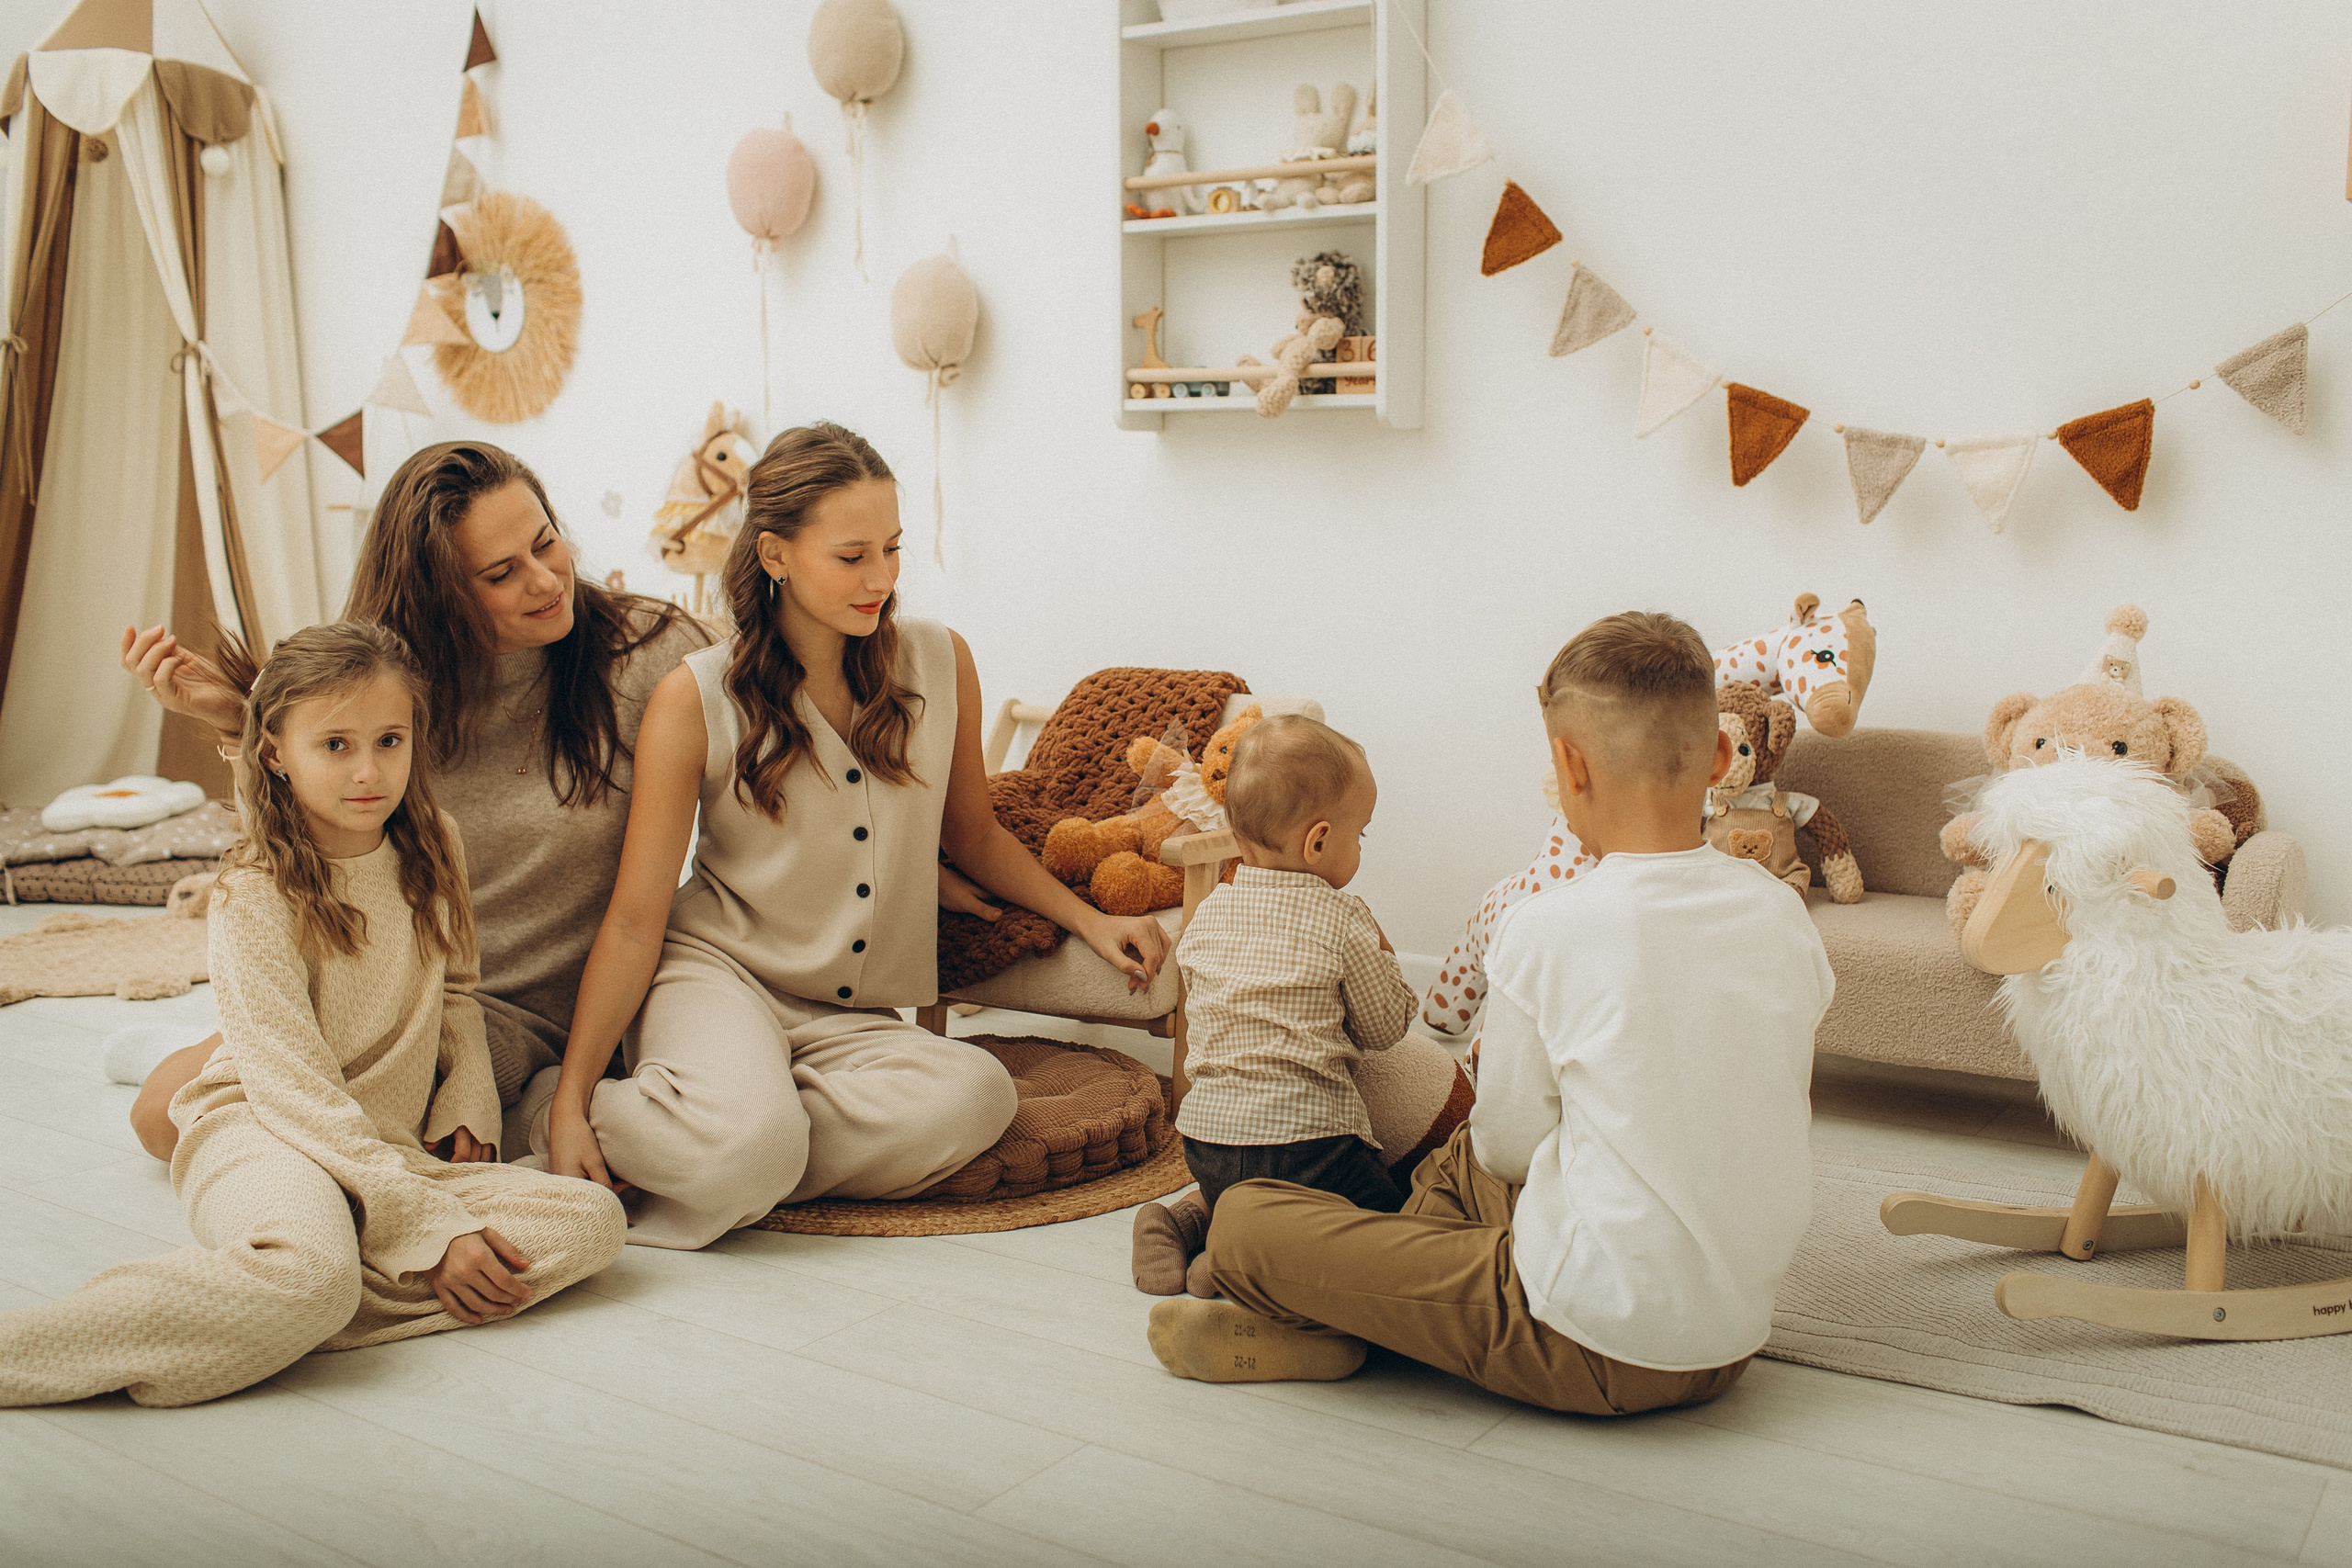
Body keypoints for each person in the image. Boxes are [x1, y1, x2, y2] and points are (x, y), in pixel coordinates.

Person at [1147, 611, 1833, 1415]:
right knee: (1454, 1163)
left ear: (1568, 766)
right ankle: (1357, 1310)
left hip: (1590, 1337)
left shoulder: (1546, 926)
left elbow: (1508, 1146)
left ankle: (1339, 1317)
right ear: (1719, 755)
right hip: (1735, 1331)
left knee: (1247, 1222)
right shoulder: (1784, 913)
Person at [530, 422, 1170, 1247]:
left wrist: (1091, 919)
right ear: (775, 554)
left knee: (978, 1095)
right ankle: (568, 1114)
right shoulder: (695, 699)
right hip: (719, 976)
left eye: (893, 549)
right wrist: (570, 1099)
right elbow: (632, 919)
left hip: (847, 1016)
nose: (882, 579)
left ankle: (741, 1133)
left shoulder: (941, 662)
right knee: (754, 1145)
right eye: (852, 556)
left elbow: (974, 835)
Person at [0, 623, 625, 1408]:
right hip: (266, 1127)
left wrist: (466, 1100)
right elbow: (292, 1092)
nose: (368, 771)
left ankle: (286, 1295)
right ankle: (54, 1344)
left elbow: (458, 992)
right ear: (273, 753)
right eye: (335, 745)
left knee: (591, 1220)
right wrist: (427, 1228)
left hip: (385, 1147)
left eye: (389, 740)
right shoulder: (251, 893)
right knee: (314, 1278)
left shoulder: (437, 844)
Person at [118, 440, 717, 1158]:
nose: (545, 580)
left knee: (358, 1143)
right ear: (441, 597)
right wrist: (237, 722)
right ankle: (192, 1041)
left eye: (545, 542)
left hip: (515, 1013)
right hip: (379, 984)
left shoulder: (650, 655)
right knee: (159, 1116)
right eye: (500, 573)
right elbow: (310, 851)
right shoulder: (388, 685)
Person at [1130, 714, 1418, 1296]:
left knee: (1239, 1195)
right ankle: (1241, 1264)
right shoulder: (1342, 917)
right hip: (1312, 1148)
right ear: (1319, 841)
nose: (1360, 847)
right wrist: (1383, 954)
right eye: (1360, 835)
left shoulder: (1208, 914)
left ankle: (1190, 1220)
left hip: (1208, 1143)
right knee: (1389, 1229)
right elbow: (1385, 1028)